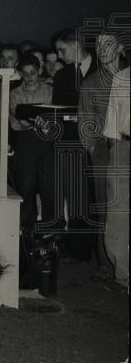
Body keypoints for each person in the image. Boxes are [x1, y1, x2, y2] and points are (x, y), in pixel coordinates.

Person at [78, 32, 127, 278]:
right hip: (102, 153)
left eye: (107, 44)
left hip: (125, 148)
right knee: (103, 207)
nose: (101, 49)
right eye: (98, 46)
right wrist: (93, 150)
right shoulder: (90, 83)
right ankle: (105, 263)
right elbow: (85, 122)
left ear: (120, 48)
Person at [50, 28, 98, 260]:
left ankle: (102, 251)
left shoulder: (107, 70)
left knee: (101, 197)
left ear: (77, 44)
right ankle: (80, 249)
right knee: (77, 197)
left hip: (101, 145)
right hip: (71, 144)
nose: (59, 55)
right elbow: (59, 114)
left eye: (62, 49)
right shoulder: (61, 77)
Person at [9, 54, 55, 236]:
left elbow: (54, 119)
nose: (29, 78)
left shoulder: (50, 91)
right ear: (19, 73)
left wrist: (27, 120)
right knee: (25, 186)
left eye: (33, 73)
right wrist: (36, 120)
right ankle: (27, 233)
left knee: (48, 187)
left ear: (40, 71)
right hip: (25, 145)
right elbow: (14, 124)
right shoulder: (14, 94)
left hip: (47, 144)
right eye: (25, 73)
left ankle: (50, 231)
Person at [103, 66, 129, 287]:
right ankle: (124, 273)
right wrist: (116, 152)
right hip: (124, 146)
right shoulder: (123, 76)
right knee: (119, 209)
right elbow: (112, 120)